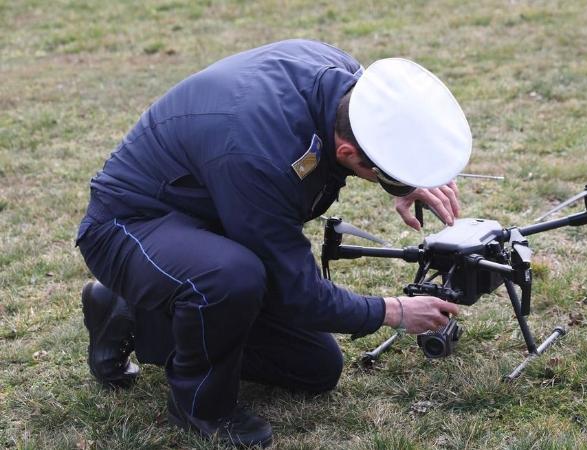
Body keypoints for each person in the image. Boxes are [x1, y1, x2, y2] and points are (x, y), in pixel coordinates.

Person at [75, 39, 472, 447]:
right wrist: (394, 311)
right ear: (348, 152)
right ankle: (200, 405)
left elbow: (381, 126)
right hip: (130, 225)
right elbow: (298, 293)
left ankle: (134, 313)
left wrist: (405, 174)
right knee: (230, 278)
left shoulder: (344, 84)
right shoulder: (261, 155)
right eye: (388, 175)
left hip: (214, 216)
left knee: (315, 368)